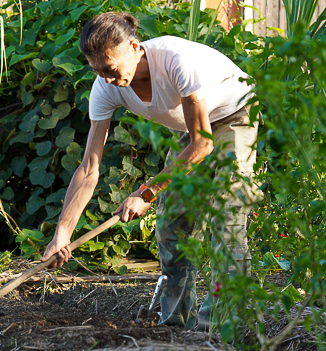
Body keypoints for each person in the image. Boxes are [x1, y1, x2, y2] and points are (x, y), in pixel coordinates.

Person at [41, 12, 258, 330]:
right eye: (98, 72)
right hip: (194, 131)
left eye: (111, 69)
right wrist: (63, 232)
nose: (108, 79)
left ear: (133, 46)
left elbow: (202, 146)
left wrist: (147, 192)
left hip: (234, 114)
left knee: (227, 213)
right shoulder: (105, 87)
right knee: (173, 225)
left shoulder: (174, 59)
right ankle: (176, 322)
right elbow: (89, 167)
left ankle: (223, 327)